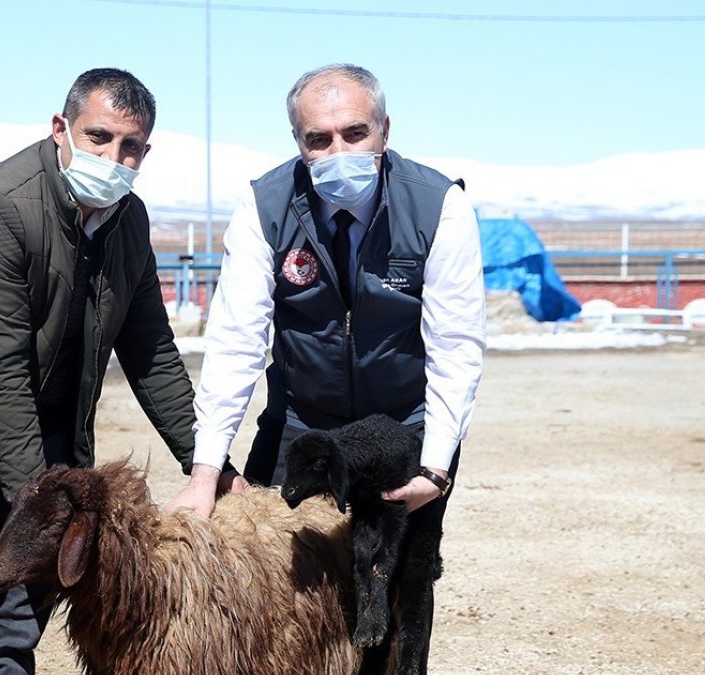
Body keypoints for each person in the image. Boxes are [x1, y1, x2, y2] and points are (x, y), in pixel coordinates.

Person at [0, 68, 238, 674]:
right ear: (60, 129)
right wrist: (42, 506)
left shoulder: (127, 222)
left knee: (7, 650)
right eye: (99, 137)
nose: (114, 158)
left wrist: (211, 467)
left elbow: (153, 356)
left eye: (131, 147)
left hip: (42, 458)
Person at [165, 63, 486, 673]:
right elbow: (235, 341)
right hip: (302, 425)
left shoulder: (439, 205)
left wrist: (436, 469)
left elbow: (457, 346)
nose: (338, 150)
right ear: (299, 143)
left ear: (384, 131)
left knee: (393, 595)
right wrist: (206, 471)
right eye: (318, 139)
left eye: (354, 133)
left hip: (401, 428)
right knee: (274, 588)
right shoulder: (264, 204)